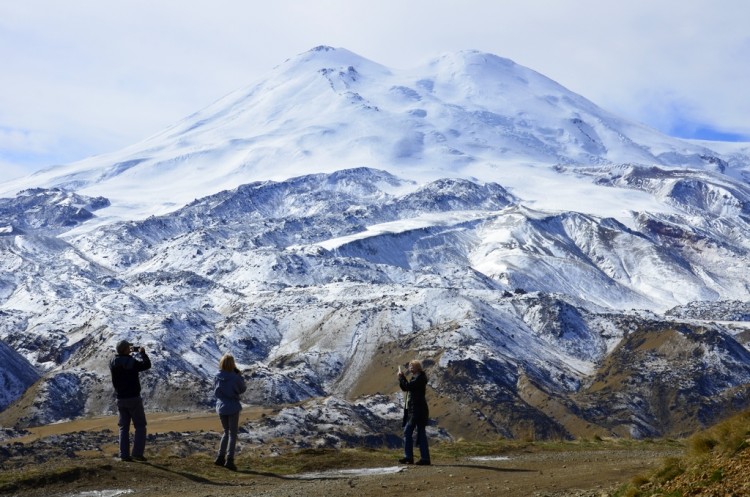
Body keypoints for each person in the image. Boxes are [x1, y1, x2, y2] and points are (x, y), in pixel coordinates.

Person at [109, 339, 152, 462]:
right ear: (125, 349)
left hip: (120, 398)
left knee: (123, 427)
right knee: (140, 426)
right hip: (133, 398)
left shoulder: (112, 362)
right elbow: (146, 365)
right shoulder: (130, 361)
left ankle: (124, 455)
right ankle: (137, 453)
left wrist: (127, 353)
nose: (131, 349)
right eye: (129, 348)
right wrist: (142, 353)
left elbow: (120, 362)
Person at [214, 353, 247, 471]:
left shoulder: (217, 376)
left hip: (221, 406)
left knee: (226, 432)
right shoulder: (235, 377)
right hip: (232, 406)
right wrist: (239, 376)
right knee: (233, 434)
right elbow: (242, 389)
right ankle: (230, 460)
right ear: (233, 364)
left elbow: (215, 390)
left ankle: (220, 457)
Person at [398, 359, 431, 465]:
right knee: (419, 433)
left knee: (409, 432)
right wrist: (401, 378)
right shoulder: (418, 377)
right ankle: (421, 458)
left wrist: (401, 377)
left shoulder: (419, 378)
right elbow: (406, 388)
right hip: (417, 409)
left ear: (417, 367)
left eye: (412, 366)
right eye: (410, 366)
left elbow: (408, 386)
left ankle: (410, 457)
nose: (410, 368)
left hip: (417, 410)